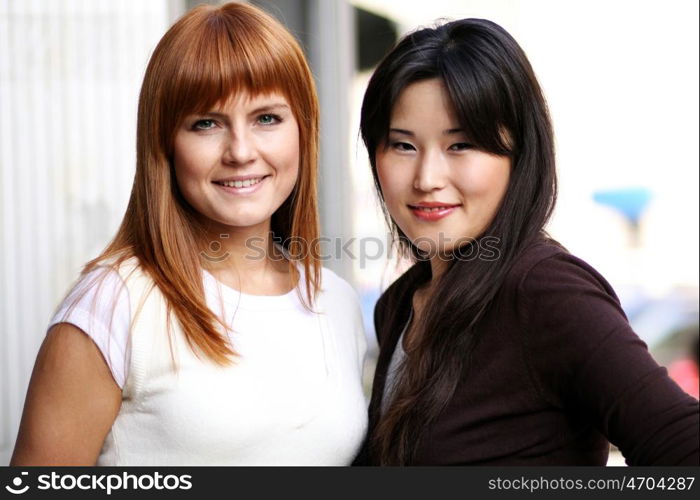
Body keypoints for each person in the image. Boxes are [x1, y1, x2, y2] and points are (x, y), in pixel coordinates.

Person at [11, 2, 367, 466]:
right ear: (165, 143)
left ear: (304, 130)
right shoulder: (114, 304)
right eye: (206, 123)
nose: (241, 151)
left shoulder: (335, 301)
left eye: (266, 118)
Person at [356, 18, 699, 465]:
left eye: (460, 146)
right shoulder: (400, 303)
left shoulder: (545, 292)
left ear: (519, 154)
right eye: (402, 146)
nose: (426, 179)